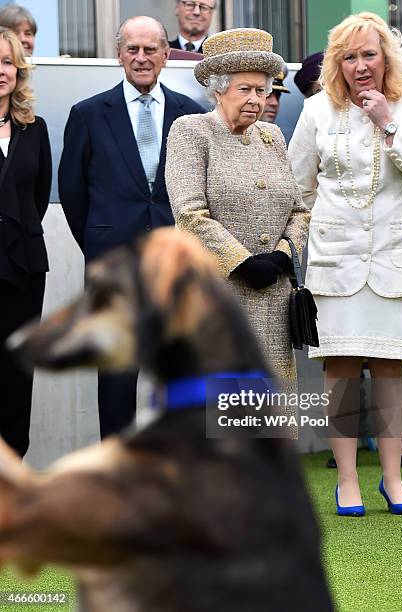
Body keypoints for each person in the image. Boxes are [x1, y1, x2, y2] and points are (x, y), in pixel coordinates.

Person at [288, 12, 402, 516]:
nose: (360, 66)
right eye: (349, 57)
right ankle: (349, 481)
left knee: (391, 370)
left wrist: (386, 121)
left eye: (369, 55)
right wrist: (315, 234)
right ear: (338, 63)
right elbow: (299, 187)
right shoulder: (315, 109)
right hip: (335, 261)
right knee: (340, 371)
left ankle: (393, 479)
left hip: (393, 259)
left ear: (386, 58)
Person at [58, 16, 204, 439]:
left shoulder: (190, 114)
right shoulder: (87, 114)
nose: (141, 58)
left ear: (165, 54)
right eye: (132, 50)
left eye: (151, 49)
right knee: (118, 382)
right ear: (119, 54)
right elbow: (72, 193)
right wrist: (99, 242)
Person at [165, 28, 309, 385]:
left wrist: (282, 254)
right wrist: (242, 262)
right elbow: (189, 212)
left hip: (274, 295)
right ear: (217, 89)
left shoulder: (272, 136)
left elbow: (299, 210)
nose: (256, 100)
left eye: (262, 90)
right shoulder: (192, 131)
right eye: (244, 89)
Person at [0, 27, 51, 457]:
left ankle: (11, 482)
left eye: (6, 62)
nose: (1, 71)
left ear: (19, 69)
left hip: (23, 270)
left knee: (17, 378)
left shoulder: (36, 129)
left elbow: (38, 198)